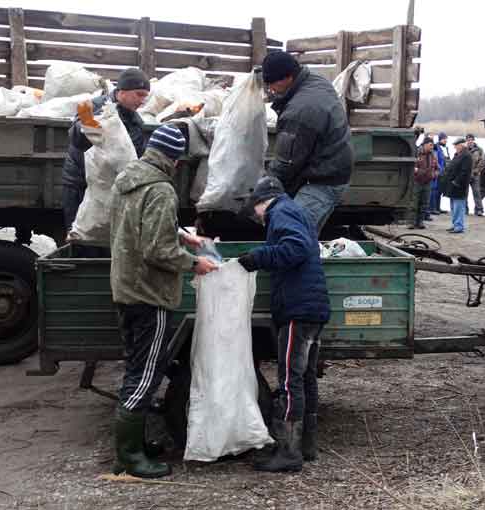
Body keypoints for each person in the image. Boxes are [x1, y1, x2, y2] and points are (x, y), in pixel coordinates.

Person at [109, 125, 218, 478]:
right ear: (174, 159)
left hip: (126, 287)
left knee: (134, 368)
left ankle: (135, 444)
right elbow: (157, 249)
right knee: (146, 375)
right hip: (150, 292)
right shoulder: (161, 191)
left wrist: (182, 236)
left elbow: (139, 231)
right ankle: (128, 457)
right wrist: (193, 264)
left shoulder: (128, 179)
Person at [237, 176, 330, 473]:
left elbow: (296, 248)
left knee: (290, 379)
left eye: (256, 212)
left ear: (263, 202)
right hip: (312, 308)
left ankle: (288, 452)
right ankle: (306, 446)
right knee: (304, 378)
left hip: (297, 308)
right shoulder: (298, 210)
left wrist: (257, 257)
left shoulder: (280, 212)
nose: (258, 219)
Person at [261, 51, 353, 235]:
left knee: (291, 235)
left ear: (288, 77)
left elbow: (285, 164)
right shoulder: (314, 80)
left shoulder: (300, 112)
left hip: (323, 180)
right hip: (323, 167)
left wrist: (263, 194)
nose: (270, 89)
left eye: (273, 83)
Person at [62, 68, 150, 234]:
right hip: (79, 184)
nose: (143, 100)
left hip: (107, 188)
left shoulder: (136, 122)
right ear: (122, 91)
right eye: (139, 94)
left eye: (145, 96)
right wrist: (89, 125)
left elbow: (133, 158)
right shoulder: (92, 106)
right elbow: (76, 139)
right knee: (79, 236)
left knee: (102, 237)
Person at [442, 137, 472, 234]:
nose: (455, 147)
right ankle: (455, 224)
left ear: (461, 145)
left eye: (456, 145)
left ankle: (459, 226)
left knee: (459, 207)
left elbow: (465, 172)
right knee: (454, 207)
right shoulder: (458, 155)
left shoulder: (467, 156)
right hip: (452, 186)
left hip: (459, 186)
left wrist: (456, 182)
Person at [410, 138, 438, 229]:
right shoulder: (417, 153)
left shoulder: (433, 155)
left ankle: (420, 222)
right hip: (417, 182)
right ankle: (412, 222)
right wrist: (418, 172)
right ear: (425, 144)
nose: (432, 147)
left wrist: (433, 175)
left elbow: (438, 168)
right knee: (414, 203)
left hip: (428, 183)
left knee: (424, 203)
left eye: (432, 145)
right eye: (430, 145)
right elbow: (411, 166)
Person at [466, 134, 485, 216]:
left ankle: (479, 209)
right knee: (464, 193)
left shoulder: (479, 150)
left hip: (476, 175)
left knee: (477, 193)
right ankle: (465, 209)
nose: (470, 141)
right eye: (468, 140)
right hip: (466, 175)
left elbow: (483, 161)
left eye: (471, 139)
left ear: (474, 140)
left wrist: (477, 170)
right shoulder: (464, 149)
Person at [430, 132, 450, 215]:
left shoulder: (446, 148)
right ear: (440, 139)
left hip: (444, 173)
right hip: (438, 172)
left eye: (446, 139)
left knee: (440, 191)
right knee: (435, 191)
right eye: (444, 139)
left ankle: (438, 207)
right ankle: (433, 208)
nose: (446, 140)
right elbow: (436, 160)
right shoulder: (436, 147)